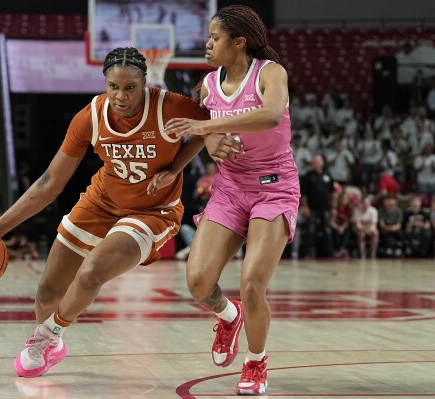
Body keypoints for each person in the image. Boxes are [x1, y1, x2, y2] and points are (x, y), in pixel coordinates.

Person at [0, 47, 209, 378]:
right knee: (47, 292)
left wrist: (177, 167)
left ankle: (47, 337)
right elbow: (49, 183)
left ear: (145, 83)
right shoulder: (90, 117)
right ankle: (54, 345)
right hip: (101, 201)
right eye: (113, 87)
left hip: (153, 209)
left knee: (92, 272)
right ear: (104, 83)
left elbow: (210, 125)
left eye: (130, 87)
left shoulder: (169, 106)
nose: (121, 96)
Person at [153, 5, 299, 395]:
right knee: (199, 282)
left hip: (274, 187)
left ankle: (256, 363)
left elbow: (270, 116)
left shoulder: (270, 74)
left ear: (239, 42)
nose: (207, 44)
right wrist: (177, 168)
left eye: (214, 38)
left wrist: (209, 125)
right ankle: (229, 317)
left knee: (252, 283)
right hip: (231, 189)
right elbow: (199, 135)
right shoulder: (208, 85)